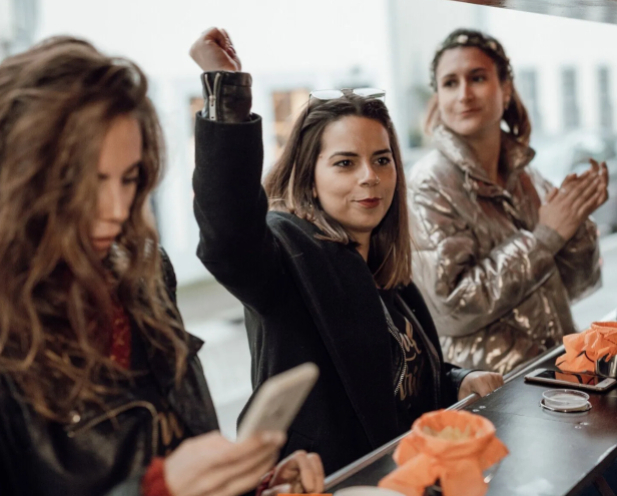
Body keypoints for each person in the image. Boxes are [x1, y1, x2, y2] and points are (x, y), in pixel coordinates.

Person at [0, 37, 324, 496]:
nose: (116, 208)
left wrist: (243, 481)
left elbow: (182, 445)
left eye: (130, 178)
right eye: (89, 183)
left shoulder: (145, 272)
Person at [189, 27, 503, 476]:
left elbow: (396, 373)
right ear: (308, 175)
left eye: (381, 158)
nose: (369, 177)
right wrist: (226, 90)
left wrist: (456, 381)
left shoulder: (381, 264)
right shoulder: (287, 249)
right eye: (344, 162)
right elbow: (227, 235)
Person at [407, 29, 606, 375]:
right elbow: (451, 308)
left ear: (507, 88)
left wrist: (575, 223)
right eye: (450, 83)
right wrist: (546, 237)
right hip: (491, 391)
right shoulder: (428, 184)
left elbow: (575, 284)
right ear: (438, 96)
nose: (464, 94)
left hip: (555, 370)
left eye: (478, 78)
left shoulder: (525, 174)